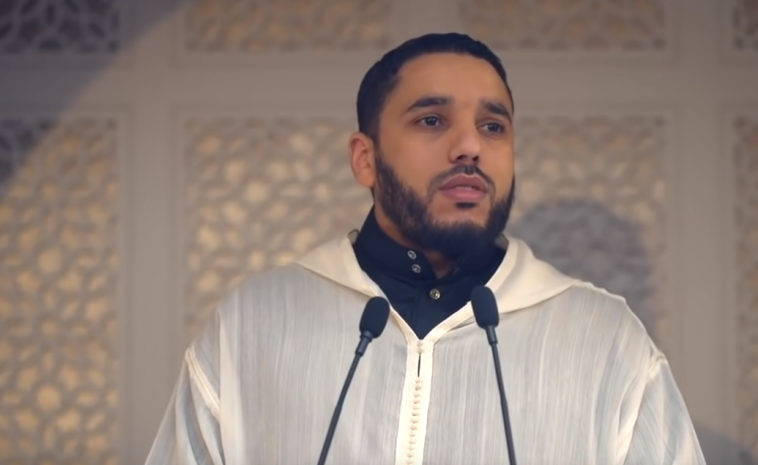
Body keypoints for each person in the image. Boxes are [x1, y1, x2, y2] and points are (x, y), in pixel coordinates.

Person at [145, 33, 705, 465]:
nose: (470, 146)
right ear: (365, 159)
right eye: (432, 120)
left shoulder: (604, 339)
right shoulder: (254, 323)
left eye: (493, 126)